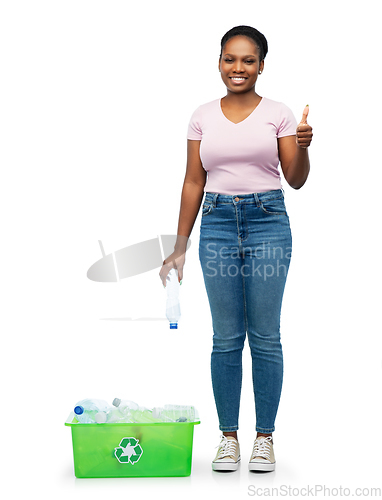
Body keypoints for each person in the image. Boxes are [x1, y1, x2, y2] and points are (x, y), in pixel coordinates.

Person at [159, 25, 313, 472]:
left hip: (268, 224)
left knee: (265, 337)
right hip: (218, 226)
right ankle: (228, 438)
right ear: (220, 62)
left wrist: (303, 147)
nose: (238, 68)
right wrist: (180, 246)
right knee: (226, 339)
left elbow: (296, 178)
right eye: (230, 59)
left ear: (262, 65)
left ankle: (264, 438)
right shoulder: (201, 115)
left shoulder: (280, 114)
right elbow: (193, 180)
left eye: (249, 60)